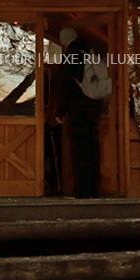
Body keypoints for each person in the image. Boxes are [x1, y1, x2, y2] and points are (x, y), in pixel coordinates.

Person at [56, 26, 106, 198]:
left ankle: (83, 189)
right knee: (93, 147)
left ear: (64, 39)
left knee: (80, 150)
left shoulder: (71, 55)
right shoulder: (90, 51)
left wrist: (60, 112)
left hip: (78, 108)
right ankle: (95, 188)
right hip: (94, 107)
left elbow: (66, 86)